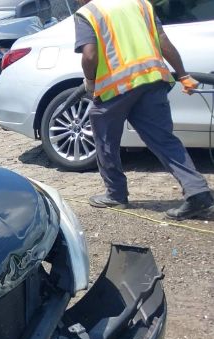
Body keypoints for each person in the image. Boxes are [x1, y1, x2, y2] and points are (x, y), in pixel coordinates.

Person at [74, 0, 213, 220]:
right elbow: (163, 41)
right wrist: (183, 74)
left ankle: (116, 195)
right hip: (152, 80)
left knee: (105, 140)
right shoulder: (140, 3)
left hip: (115, 88)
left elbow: (90, 55)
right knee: (164, 139)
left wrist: (90, 81)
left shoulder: (88, 13)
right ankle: (197, 191)